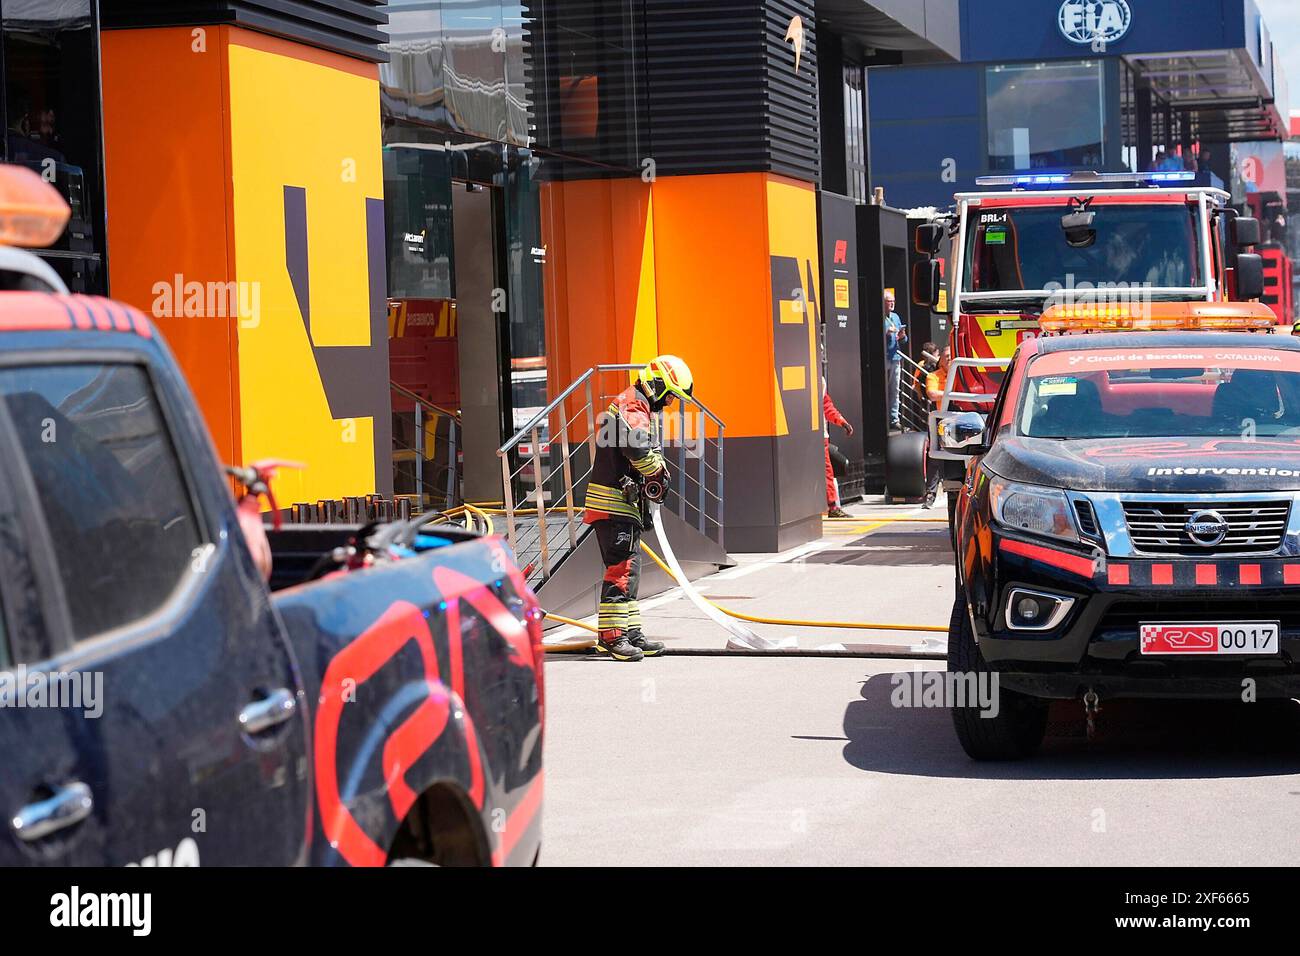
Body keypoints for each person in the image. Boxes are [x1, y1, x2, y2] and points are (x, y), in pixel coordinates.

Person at [582, 355, 694, 662]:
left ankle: (631, 634)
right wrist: (658, 473)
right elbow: (637, 448)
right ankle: (611, 637)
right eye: (670, 394)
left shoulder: (637, 404)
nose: (670, 402)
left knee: (630, 569)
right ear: (657, 383)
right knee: (620, 568)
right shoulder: (633, 404)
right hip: (613, 503)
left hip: (622, 504)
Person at [923, 345, 952, 508]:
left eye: (950, 355)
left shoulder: (961, 374)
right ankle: (930, 494)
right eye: (945, 356)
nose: (948, 358)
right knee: (934, 456)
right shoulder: (933, 376)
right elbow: (932, 394)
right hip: (939, 419)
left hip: (957, 418)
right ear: (940, 360)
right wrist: (952, 392)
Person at [822, 381, 854, 518]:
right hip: (801, 435)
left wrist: (842, 421)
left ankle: (833, 507)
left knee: (827, 472)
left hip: (819, 437)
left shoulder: (819, 380)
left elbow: (826, 406)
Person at [884, 291, 907, 430]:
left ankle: (894, 419)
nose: (892, 303)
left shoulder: (896, 317)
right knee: (884, 389)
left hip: (895, 357)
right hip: (884, 358)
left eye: (893, 301)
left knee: (895, 390)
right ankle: (883, 418)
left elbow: (904, 340)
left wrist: (903, 335)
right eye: (889, 301)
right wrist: (887, 333)